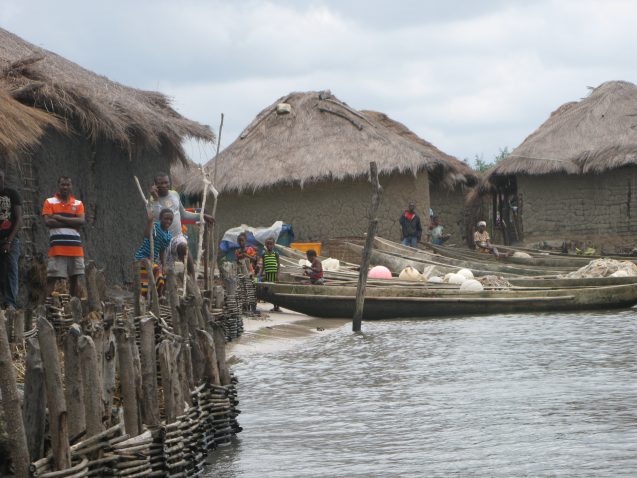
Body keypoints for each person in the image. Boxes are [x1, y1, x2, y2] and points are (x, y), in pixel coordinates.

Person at [149, 172, 214, 276]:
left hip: (177, 236)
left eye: (166, 182)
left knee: (183, 247)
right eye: (161, 183)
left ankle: (192, 281)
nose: (164, 185)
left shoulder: (174, 195)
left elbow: (183, 215)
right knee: (164, 273)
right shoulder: (152, 201)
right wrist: (156, 199)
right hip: (161, 241)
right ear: (155, 185)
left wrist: (201, 216)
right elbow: (157, 217)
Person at [42, 177, 86, 297]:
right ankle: (45, 309)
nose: (65, 187)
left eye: (67, 185)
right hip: (57, 249)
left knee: (75, 280)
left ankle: (73, 310)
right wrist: (73, 222)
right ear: (58, 186)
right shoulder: (49, 201)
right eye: (63, 184)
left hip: (75, 249)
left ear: (71, 186)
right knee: (51, 279)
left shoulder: (78, 204)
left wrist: (60, 218)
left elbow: (81, 221)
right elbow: (48, 222)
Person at [134, 208, 173, 297]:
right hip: (142, 258)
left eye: (170, 219)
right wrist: (149, 221)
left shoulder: (168, 235)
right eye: (166, 218)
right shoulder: (155, 226)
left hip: (152, 260)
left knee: (159, 276)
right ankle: (154, 298)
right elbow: (147, 235)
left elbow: (162, 250)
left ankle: (157, 297)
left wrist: (164, 265)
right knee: (145, 282)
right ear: (160, 218)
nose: (168, 221)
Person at [0, 170, 22, 310]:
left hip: (10, 239)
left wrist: (9, 241)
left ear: (3, 178)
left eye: (0, 177)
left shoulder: (12, 194)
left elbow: (19, 220)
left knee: (11, 269)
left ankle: (10, 303)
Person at [259, 237, 280, 311]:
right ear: (265, 245)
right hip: (267, 275)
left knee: (275, 291)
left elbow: (278, 265)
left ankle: (276, 307)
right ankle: (270, 303)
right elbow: (264, 266)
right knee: (267, 290)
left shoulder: (276, 254)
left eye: (271, 244)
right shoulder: (264, 254)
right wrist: (260, 274)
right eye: (268, 244)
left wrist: (277, 275)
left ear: (273, 245)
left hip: (274, 276)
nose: (269, 245)